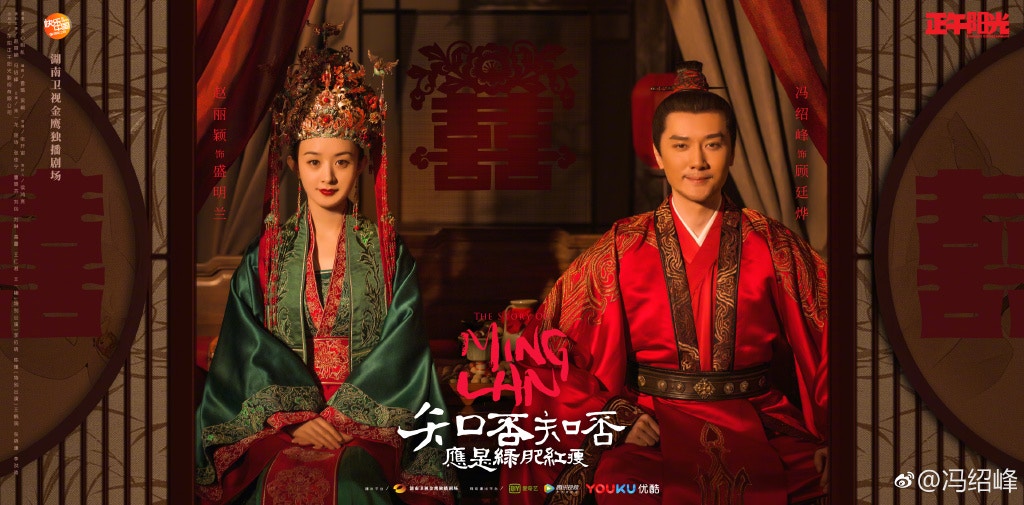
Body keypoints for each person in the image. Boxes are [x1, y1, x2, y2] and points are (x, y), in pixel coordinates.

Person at [500, 61, 828, 505]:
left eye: (713, 144)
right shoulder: (621, 247)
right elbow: (544, 350)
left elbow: (835, 337)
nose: (698, 161)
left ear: (732, 151)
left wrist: (837, 432)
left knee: (829, 474)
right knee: (621, 480)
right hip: (654, 424)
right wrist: (612, 416)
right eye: (681, 145)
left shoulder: (773, 243)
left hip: (760, 420)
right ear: (657, 154)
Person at [195, 24, 454, 505]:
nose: (328, 176)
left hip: (369, 427)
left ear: (362, 164)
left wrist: (342, 420)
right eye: (314, 161)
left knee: (353, 482)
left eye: (342, 161)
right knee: (274, 480)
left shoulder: (389, 255)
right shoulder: (266, 255)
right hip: (281, 425)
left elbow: (404, 352)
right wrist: (296, 420)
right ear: (294, 165)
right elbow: (243, 349)